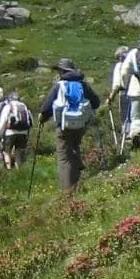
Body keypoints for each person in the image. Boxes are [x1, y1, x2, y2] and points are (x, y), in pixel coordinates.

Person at [40, 58, 102, 193]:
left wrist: (43, 118)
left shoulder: (59, 85)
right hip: (80, 125)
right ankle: (77, 178)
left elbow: (46, 108)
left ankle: (68, 191)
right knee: (75, 149)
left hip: (64, 126)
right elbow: (96, 103)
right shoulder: (83, 84)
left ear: (62, 71)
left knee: (64, 158)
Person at [0, 91, 33, 171]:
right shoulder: (24, 106)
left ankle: (9, 169)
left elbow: (3, 120)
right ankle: (18, 170)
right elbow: (30, 121)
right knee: (18, 151)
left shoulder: (8, 106)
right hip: (23, 132)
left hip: (10, 132)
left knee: (6, 151)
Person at [109, 45, 132, 150]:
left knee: (125, 117)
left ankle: (127, 140)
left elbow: (117, 84)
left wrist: (111, 97)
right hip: (136, 92)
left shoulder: (119, 66)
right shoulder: (132, 65)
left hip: (124, 93)